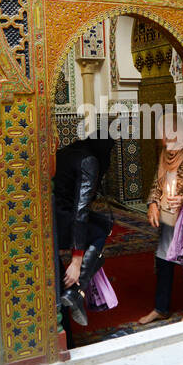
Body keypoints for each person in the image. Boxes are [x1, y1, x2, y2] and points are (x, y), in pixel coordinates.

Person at [138, 115, 183, 324]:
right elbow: (156, 185)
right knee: (163, 260)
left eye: (165, 133)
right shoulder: (164, 156)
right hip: (167, 220)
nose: (162, 139)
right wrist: (153, 204)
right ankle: (161, 308)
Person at [52, 136, 117, 327]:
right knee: (99, 230)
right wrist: (76, 260)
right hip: (60, 222)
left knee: (101, 224)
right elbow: (81, 210)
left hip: (49, 215)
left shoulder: (69, 152)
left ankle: (74, 293)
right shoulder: (90, 161)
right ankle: (75, 291)